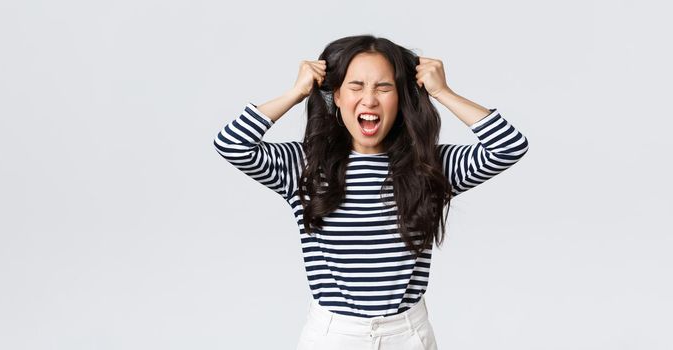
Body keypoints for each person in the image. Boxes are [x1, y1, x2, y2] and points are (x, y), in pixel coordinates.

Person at [213, 34, 529, 350]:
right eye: (356, 86)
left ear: (402, 98)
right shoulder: (304, 164)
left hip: (406, 335)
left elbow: (509, 146)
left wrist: (442, 92)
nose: (369, 99)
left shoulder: (430, 165)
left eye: (383, 87)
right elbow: (232, 144)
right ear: (335, 95)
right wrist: (295, 93)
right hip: (333, 336)